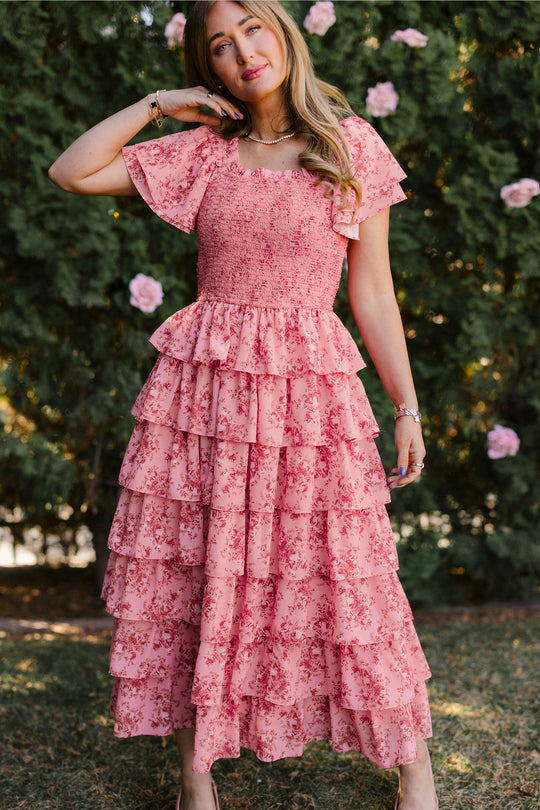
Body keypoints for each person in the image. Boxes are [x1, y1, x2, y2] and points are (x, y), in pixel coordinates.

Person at [48, 2, 439, 808]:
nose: (242, 53)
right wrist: (158, 105)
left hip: (311, 395)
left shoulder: (350, 145)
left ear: (284, 31)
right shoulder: (202, 152)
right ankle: (198, 780)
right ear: (210, 68)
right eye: (220, 46)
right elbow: (72, 170)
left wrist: (404, 405)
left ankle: (415, 768)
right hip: (207, 394)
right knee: (200, 573)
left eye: (253, 28)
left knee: (350, 578)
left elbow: (371, 293)